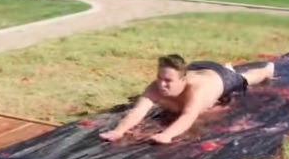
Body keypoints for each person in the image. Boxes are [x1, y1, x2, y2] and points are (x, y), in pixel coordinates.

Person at [99, 55, 275, 145]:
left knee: (246, 78)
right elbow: (138, 110)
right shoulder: (156, 86)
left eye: (167, 81)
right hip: (195, 67)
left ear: (182, 81)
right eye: (160, 78)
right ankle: (228, 68)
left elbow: (188, 116)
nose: (162, 85)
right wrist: (118, 131)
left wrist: (167, 134)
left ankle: (267, 69)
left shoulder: (195, 90)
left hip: (218, 78)